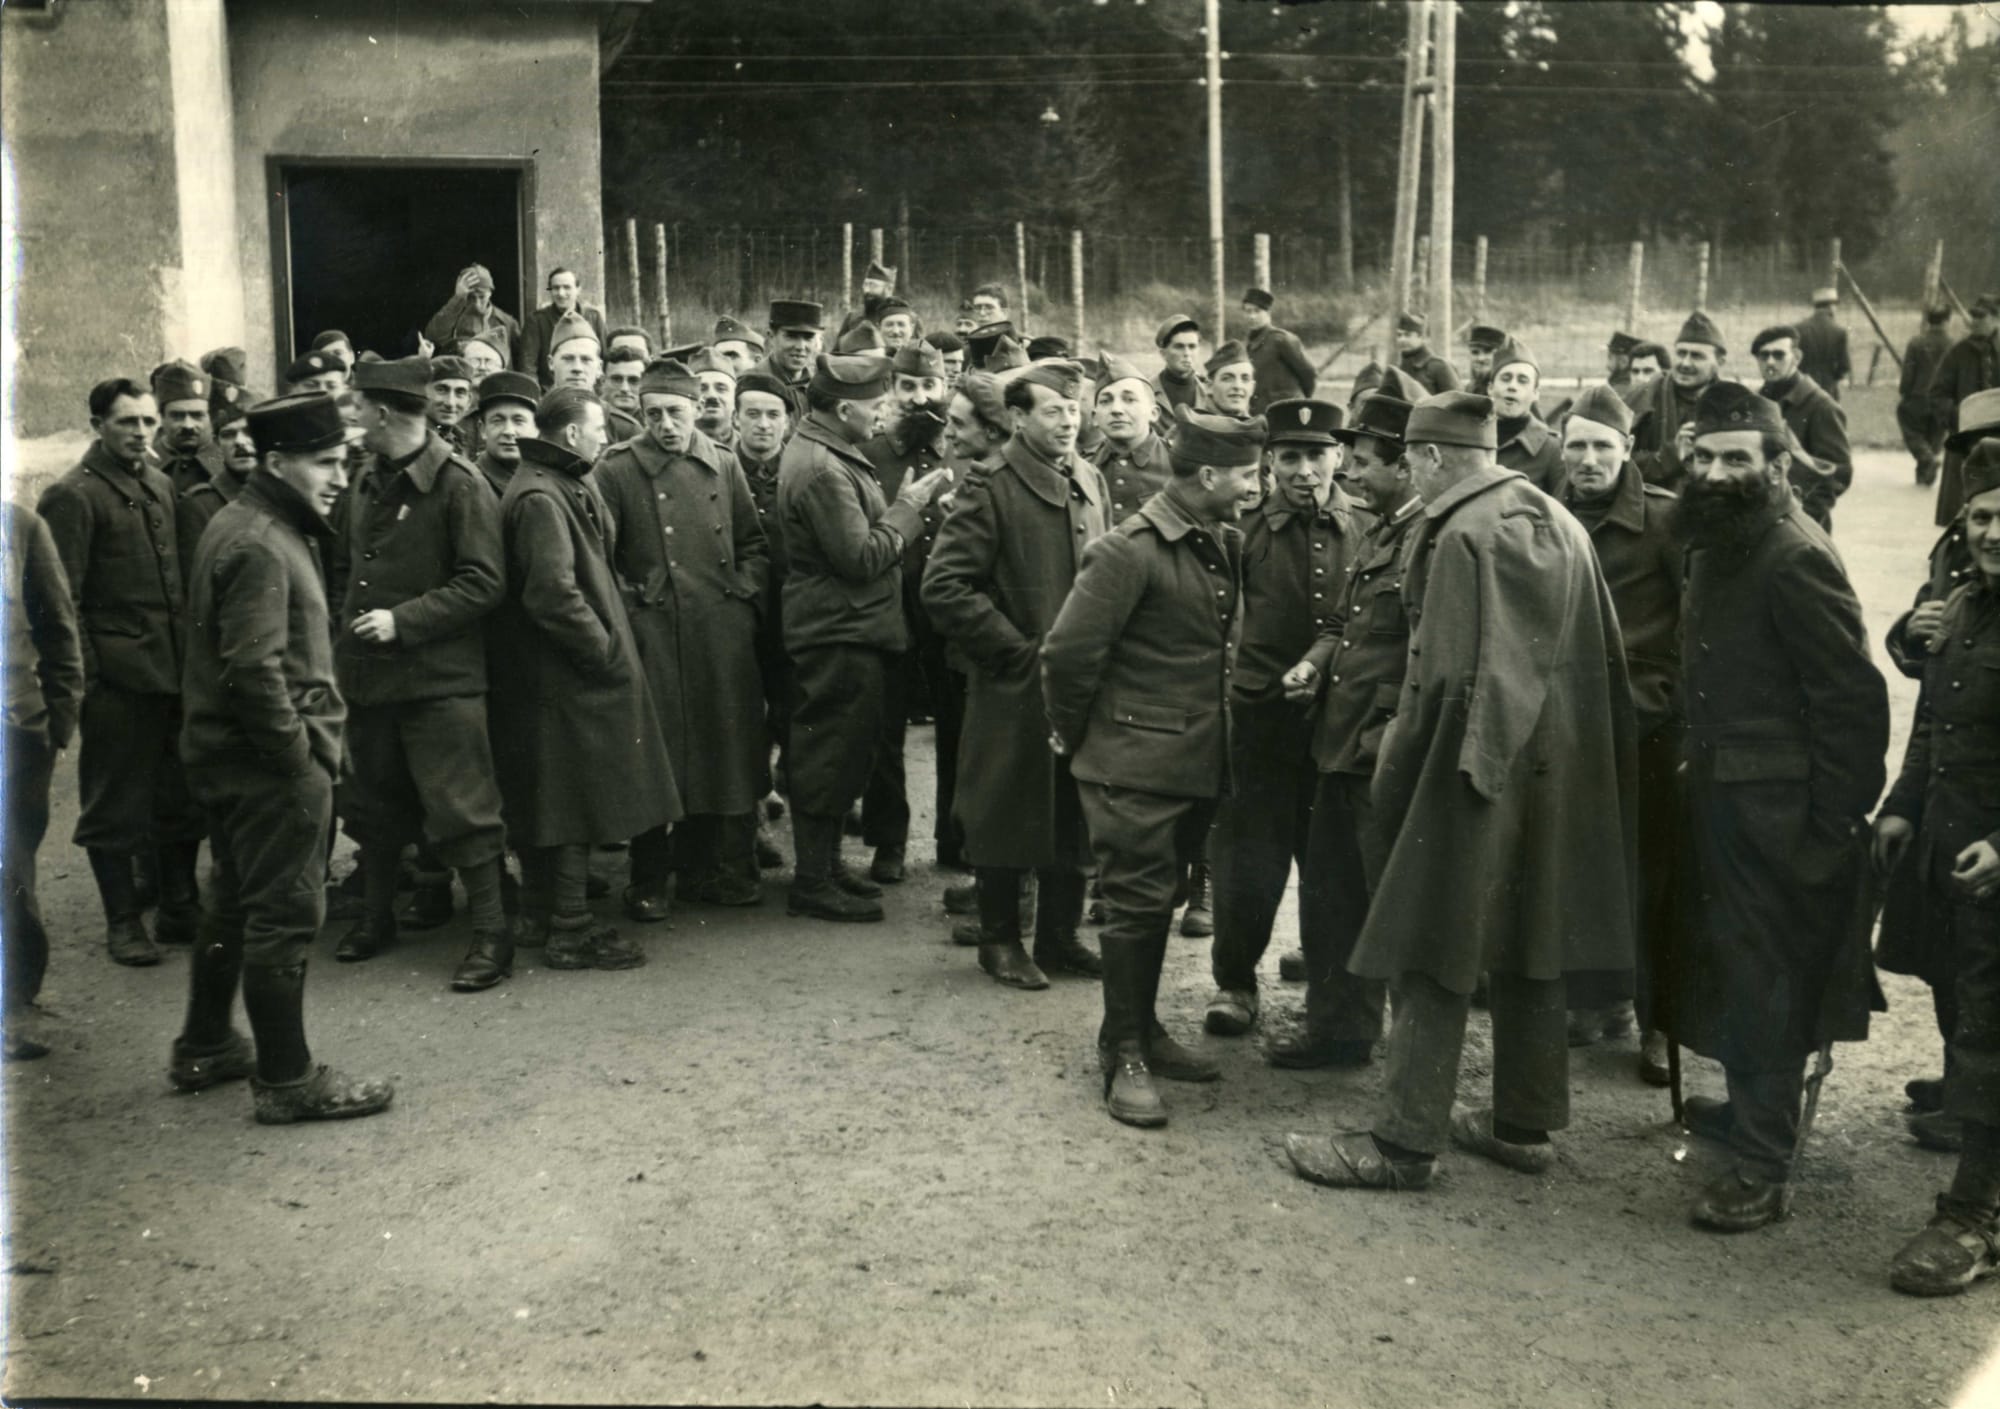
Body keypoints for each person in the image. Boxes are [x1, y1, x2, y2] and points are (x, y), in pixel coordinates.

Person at [1283, 391, 1635, 1192]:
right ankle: (1524, 1120)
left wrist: (1394, 775)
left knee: (1429, 942)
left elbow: (1434, 681)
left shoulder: (1457, 534)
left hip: (1465, 770)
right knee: (1534, 932)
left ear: (1434, 458)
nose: (1409, 470)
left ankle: (1403, 1143)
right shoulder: (1559, 516)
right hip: (1557, 774)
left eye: (1410, 458)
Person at [1671, 381, 1888, 1231]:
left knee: (1768, 975)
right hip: (1721, 796)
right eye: (1706, 456)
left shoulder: (1794, 554)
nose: (1718, 472)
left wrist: (1831, 824)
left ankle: (1764, 1164)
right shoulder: (1717, 540)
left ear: (1774, 464)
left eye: (1738, 458)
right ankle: (1755, 1113)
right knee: (1731, 959)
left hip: (1782, 814)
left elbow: (1852, 703)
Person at [172, 391, 394, 1122]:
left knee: (233, 900)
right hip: (268, 768)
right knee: (284, 914)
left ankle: (206, 1043)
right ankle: (288, 1079)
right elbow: (254, 670)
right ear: (276, 462)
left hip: (231, 760)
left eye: (344, 461)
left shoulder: (247, 522)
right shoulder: (263, 541)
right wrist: (298, 758)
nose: (339, 477)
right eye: (325, 463)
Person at [1043, 406, 1263, 1127]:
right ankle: (1124, 1050)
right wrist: (1080, 742)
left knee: (1160, 896)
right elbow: (1068, 656)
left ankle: (1143, 1027)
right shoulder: (1128, 550)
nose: (1254, 487)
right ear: (1207, 475)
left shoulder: (1216, 541)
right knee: (1136, 905)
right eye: (1247, 474)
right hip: (1133, 765)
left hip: (1193, 760)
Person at [923, 362, 1108, 991]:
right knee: (1008, 804)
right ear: (1020, 418)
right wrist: (1016, 651)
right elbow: (944, 587)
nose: (1067, 421)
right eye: (1053, 410)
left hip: (1081, 684)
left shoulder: (1087, 476)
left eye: (1073, 409)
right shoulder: (991, 485)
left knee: (1073, 810)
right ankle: (1000, 940)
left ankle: (1059, 937)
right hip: (1016, 681)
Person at [330, 358, 512, 992]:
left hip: (440, 680)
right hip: (370, 679)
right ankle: (376, 918)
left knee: (464, 809)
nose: (351, 418)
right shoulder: (363, 479)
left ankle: (492, 935)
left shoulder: (459, 484)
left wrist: (403, 621)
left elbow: (484, 582)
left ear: (384, 413)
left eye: (357, 408)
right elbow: (342, 566)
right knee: (375, 805)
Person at [487, 389, 681, 969]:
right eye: (598, 428)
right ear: (571, 435)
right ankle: (569, 928)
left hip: (560, 673)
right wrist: (603, 653)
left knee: (561, 794)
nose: (605, 437)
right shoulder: (543, 495)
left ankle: (546, 913)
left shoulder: (555, 481)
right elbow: (553, 595)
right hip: (566, 676)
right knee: (572, 798)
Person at [1877, 438, 2000, 1296]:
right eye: (1983, 516)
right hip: (1955, 852)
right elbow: (1932, 723)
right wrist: (1902, 806)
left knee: (1992, 1031)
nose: (1993, 532)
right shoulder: (1962, 602)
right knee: (1965, 1006)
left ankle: (1975, 1220)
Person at [1202, 398, 1365, 1038]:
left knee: (1332, 861)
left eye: (1317, 456)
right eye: (1290, 457)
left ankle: (1322, 974)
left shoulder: (1369, 525)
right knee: (1250, 860)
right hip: (1259, 723)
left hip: (1337, 726)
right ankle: (1235, 983)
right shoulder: (1242, 529)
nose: (1304, 471)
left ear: (1339, 457)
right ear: (1269, 462)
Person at [1270, 390, 1419, 1068]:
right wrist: (1313, 663)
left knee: (1392, 908)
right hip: (1342, 740)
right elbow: (1343, 624)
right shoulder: (1383, 529)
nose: (1348, 472)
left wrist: (1388, 733)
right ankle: (1339, 1030)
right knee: (1334, 896)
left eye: (1360, 460)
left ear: (1405, 465)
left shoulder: (1428, 540)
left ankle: (1405, 1055)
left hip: (1381, 750)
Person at [776, 354, 952, 922]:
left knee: (841, 749)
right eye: (877, 406)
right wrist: (909, 509)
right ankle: (811, 879)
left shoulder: (827, 450)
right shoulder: (825, 469)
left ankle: (825, 867)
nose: (886, 414)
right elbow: (861, 558)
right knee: (827, 753)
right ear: (846, 409)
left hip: (845, 626)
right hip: (840, 628)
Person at [595, 358, 771, 917]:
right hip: (654, 632)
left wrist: (741, 593)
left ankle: (710, 870)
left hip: (718, 630)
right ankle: (648, 878)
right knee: (657, 756)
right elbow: (600, 556)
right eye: (654, 414)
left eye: (676, 412)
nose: (666, 425)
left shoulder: (722, 462)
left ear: (697, 409)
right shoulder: (617, 469)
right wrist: (633, 606)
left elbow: (754, 543)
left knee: (723, 749)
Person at [38, 378, 205, 967]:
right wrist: (91, 678)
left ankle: (180, 904)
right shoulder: (73, 496)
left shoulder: (159, 486)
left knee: (179, 793)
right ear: (97, 426)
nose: (140, 433)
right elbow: (61, 604)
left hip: (172, 671)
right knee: (115, 805)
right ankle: (124, 922)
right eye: (126, 422)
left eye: (148, 423)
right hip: (117, 683)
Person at [1556, 386, 1684, 1076]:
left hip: (1649, 726)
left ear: (1629, 449)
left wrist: (1662, 696)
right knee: (1578, 864)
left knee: (1655, 877)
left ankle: (1660, 1021)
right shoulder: (1544, 512)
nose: (1588, 458)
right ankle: (1597, 999)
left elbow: (1696, 623)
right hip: (1568, 722)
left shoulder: (1664, 520)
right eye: (1576, 444)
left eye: (1603, 444)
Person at [859, 341, 958, 882]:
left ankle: (954, 836)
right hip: (890, 604)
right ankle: (888, 842)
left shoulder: (960, 454)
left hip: (948, 612)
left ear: (944, 390)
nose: (920, 398)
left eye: (929, 387)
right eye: (908, 387)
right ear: (892, 392)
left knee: (958, 724)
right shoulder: (871, 457)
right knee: (884, 724)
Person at [1, 500, 83, 1061]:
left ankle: (14, 1001)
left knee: (12, 868)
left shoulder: (20, 526)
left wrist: (58, 719)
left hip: (17, 732)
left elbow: (56, 626)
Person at [1752, 324, 1852, 532]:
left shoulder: (1821, 406)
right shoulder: (1758, 402)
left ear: (1796, 357)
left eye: (1779, 355)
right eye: (1764, 356)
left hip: (1801, 526)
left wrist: (1802, 516)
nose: (1770, 362)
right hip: (1759, 520)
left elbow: (1838, 474)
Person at [1630, 311, 1728, 490]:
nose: (1685, 363)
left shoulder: (1732, 402)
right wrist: (1674, 454)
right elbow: (1617, 461)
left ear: (1720, 362)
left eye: (1697, 356)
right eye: (1681, 353)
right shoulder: (1644, 396)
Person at [1930, 294, 2000, 527]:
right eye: (1973, 316)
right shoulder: (1958, 352)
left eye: (1982, 316)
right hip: (1966, 440)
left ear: (1996, 318)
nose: (1975, 321)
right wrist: (1958, 419)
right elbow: (1937, 393)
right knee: (1960, 513)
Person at [175, 397, 259, 580]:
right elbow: (197, 582)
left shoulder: (284, 495)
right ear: (217, 444)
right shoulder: (198, 505)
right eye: (228, 434)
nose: (240, 442)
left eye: (249, 431)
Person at [1092, 354, 1169, 525]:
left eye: (1129, 399)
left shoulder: (1181, 465)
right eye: (1106, 401)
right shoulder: (1085, 468)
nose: (1117, 409)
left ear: (1154, 413)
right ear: (1094, 417)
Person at [1488, 341, 1565, 495]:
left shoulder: (1551, 448)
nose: (1512, 386)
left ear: (1535, 393)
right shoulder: (1470, 437)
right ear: (1490, 388)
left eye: (1522, 381)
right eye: (1505, 378)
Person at [519, 267, 608, 389]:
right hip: (550, 391)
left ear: (578, 290)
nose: (561, 294)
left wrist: (599, 391)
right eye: (556, 288)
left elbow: (604, 358)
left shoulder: (593, 317)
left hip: (588, 389)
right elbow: (528, 366)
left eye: (567, 287)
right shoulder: (537, 320)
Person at [423, 264, 519, 367]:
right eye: (471, 298)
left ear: (490, 293)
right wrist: (457, 298)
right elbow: (433, 336)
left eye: (482, 297)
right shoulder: (453, 318)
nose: (477, 304)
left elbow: (519, 360)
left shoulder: (507, 322)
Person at [1901, 307, 1955, 487]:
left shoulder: (1916, 343)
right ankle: (1925, 472)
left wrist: (1905, 392)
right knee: (1935, 437)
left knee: (1913, 432)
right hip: (1943, 399)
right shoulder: (1953, 344)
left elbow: (1908, 373)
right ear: (1946, 321)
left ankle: (1927, 461)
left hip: (1918, 396)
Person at [151, 362, 222, 494]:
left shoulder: (227, 463)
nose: (188, 425)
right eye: (177, 416)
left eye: (197, 415)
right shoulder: (144, 465)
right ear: (162, 417)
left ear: (211, 417)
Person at [1242, 287, 1316, 412]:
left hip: (1286, 411)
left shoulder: (1281, 340)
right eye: (1248, 311)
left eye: (1257, 311)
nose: (1252, 316)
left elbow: (1309, 374)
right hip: (1260, 413)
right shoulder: (1248, 344)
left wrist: (1299, 401)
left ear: (1268, 313)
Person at [471, 372, 540, 500]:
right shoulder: (468, 483)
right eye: (497, 421)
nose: (508, 431)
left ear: (536, 428)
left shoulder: (545, 479)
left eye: (518, 421)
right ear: (482, 429)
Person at [757, 299, 824, 418]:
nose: (800, 347)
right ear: (771, 337)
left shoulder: (819, 386)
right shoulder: (753, 382)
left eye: (808, 338)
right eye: (791, 336)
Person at [1150, 315, 1210, 424]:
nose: (1187, 353)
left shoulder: (1210, 391)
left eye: (1192, 347)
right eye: (1179, 346)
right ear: (1163, 354)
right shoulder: (1148, 392)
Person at [1796, 287, 1852, 402]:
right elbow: (1845, 366)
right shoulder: (1839, 331)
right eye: (1835, 305)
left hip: (1803, 386)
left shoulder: (1798, 328)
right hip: (1828, 388)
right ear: (1831, 307)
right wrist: (1832, 377)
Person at [1393, 312, 1460, 395]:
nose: (1402, 339)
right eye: (1399, 335)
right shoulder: (1398, 368)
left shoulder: (1439, 367)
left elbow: (1456, 402)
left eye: (1407, 335)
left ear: (1421, 337)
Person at [424, 356, 477, 456]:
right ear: (424, 393)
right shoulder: (413, 440)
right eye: (441, 390)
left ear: (469, 401)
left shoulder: (459, 439)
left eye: (460, 393)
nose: (450, 403)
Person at [688, 348, 738, 452]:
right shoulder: (678, 448)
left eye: (721, 389)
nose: (711, 395)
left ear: (735, 396)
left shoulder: (749, 448)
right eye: (702, 388)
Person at [600, 343, 647, 446]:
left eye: (634, 381)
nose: (624, 388)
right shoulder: (591, 418)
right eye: (617, 379)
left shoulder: (653, 422)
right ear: (603, 381)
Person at [545, 312, 603, 396]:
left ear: (599, 367)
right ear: (551, 363)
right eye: (568, 358)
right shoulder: (539, 409)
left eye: (586, 359)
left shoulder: (607, 410)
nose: (577, 368)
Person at [1206, 341, 1256, 420]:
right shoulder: (1194, 426)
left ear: (1252, 388)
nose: (1237, 386)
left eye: (1245, 379)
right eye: (1227, 379)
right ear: (1209, 386)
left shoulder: (1258, 428)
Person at [1467, 324, 1508, 396]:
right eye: (1475, 352)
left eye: (1488, 351)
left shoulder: (1506, 390)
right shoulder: (1468, 389)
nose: (1480, 358)